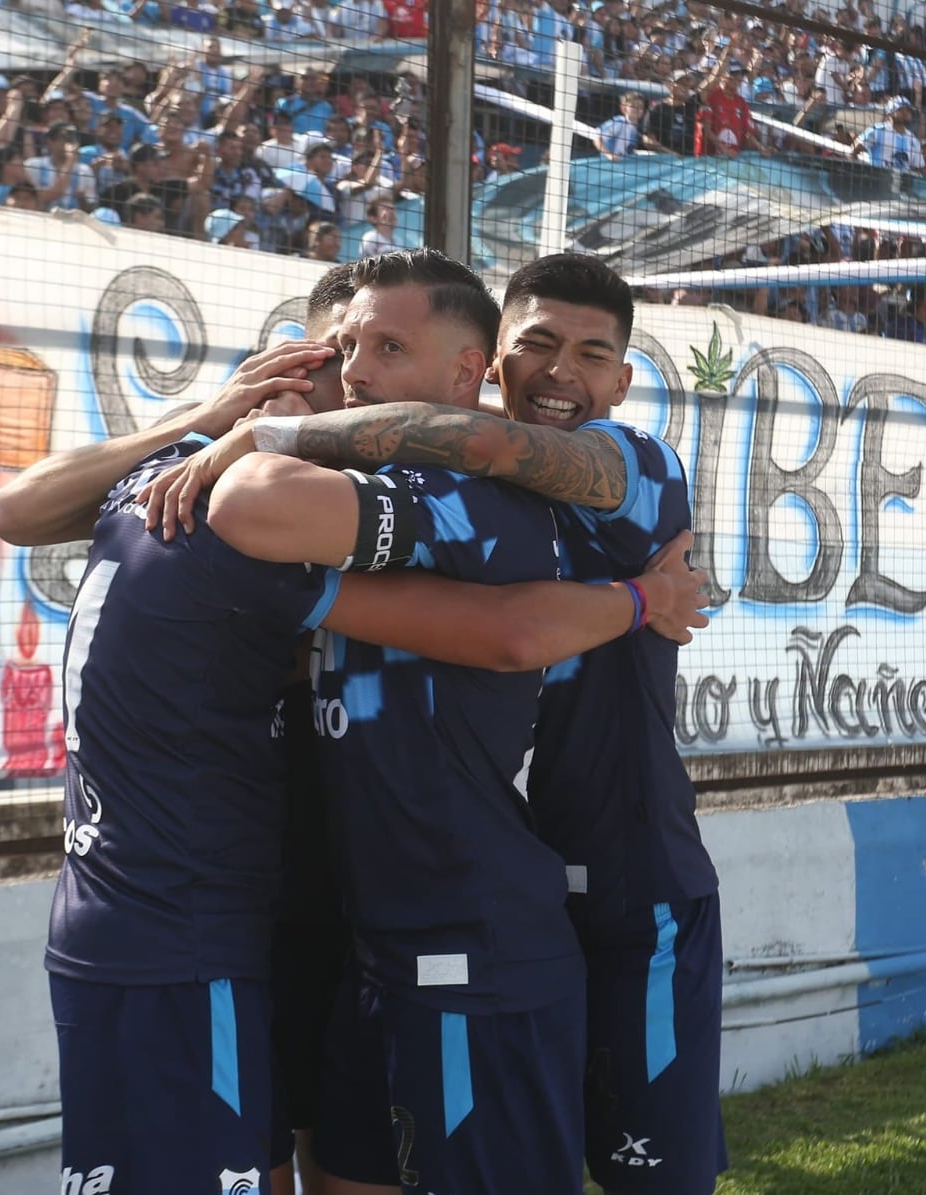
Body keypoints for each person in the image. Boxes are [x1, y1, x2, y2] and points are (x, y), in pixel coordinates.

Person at [148, 252, 727, 1195]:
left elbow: (493, 470)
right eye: (535, 344)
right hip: (507, 895)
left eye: (591, 354)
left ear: (623, 380)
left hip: (635, 894)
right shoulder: (453, 499)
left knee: (650, 1179)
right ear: (492, 361)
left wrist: (262, 441)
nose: (560, 372)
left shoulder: (634, 464)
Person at [852, 95, 924, 173]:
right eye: (900, 109)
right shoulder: (877, 131)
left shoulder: (913, 140)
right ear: (890, 113)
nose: (905, 113)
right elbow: (855, 149)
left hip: (902, 183)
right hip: (877, 181)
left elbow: (919, 168)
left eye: (908, 110)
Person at [594, 90, 645, 160]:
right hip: (608, 165)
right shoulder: (619, 122)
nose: (637, 109)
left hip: (623, 166)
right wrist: (609, 155)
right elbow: (597, 137)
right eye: (633, 106)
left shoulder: (636, 128)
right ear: (624, 108)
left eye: (640, 107)